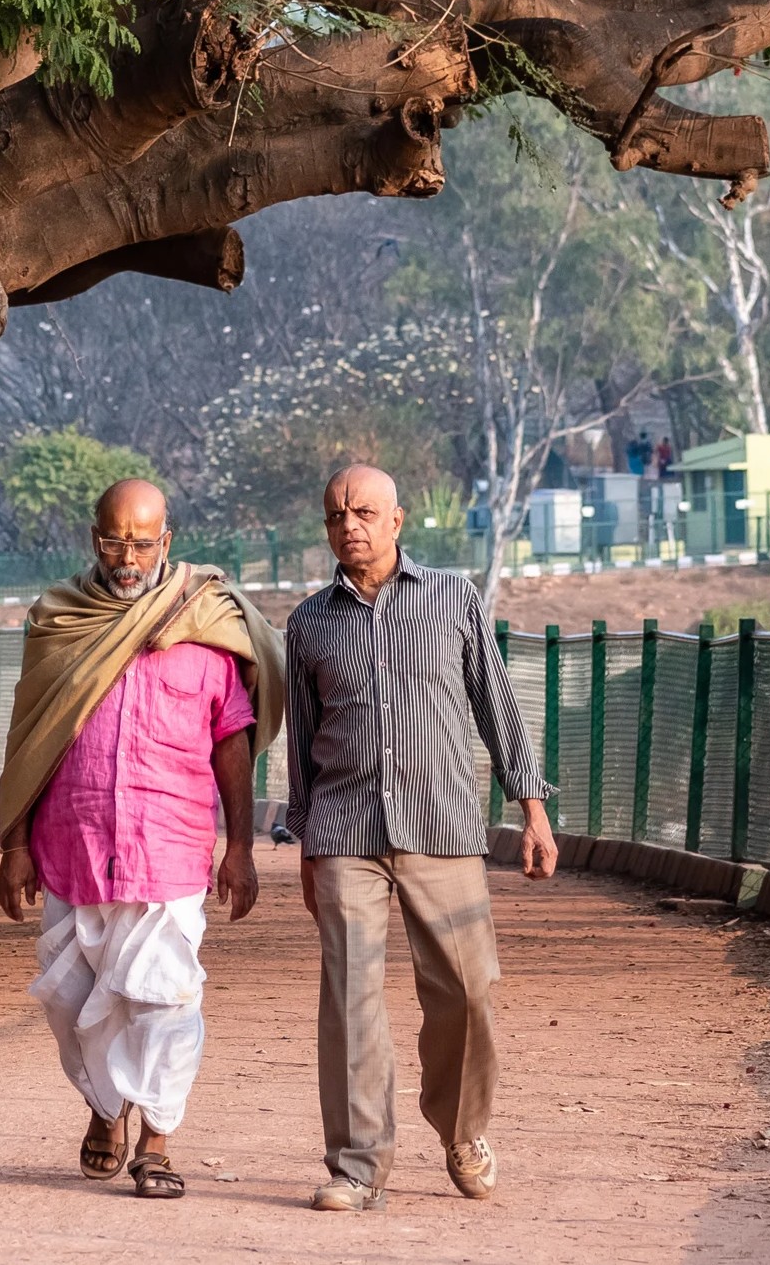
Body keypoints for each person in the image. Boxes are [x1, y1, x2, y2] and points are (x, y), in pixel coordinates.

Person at [0, 480, 282, 1201]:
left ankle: (156, 1136)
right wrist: (16, 843)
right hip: (72, 847)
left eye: (143, 542)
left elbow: (232, 744)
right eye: (115, 540)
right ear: (95, 537)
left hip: (172, 848)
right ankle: (103, 1104)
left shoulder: (207, 623)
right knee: (69, 996)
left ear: (168, 539)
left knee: (165, 999)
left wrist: (240, 845)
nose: (129, 558)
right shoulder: (61, 621)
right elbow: (30, 740)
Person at [287, 463, 559, 1213]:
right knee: (350, 998)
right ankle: (356, 1165)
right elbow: (303, 742)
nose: (351, 525)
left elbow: (496, 704)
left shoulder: (451, 597)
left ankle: (463, 1131)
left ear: (398, 520)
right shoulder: (308, 622)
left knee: (468, 992)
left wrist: (531, 807)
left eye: (366, 511)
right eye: (337, 513)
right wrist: (305, 841)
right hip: (344, 830)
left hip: (441, 827)